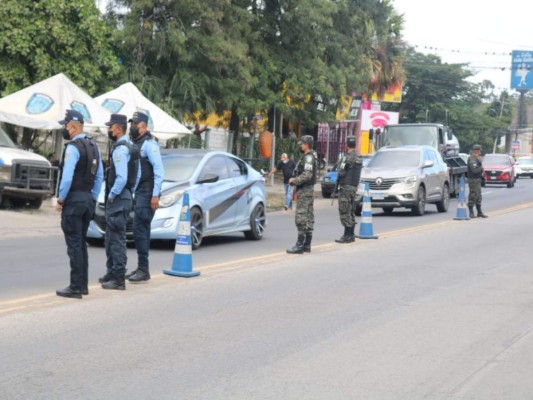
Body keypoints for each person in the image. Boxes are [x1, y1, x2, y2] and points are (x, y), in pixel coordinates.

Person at [55, 109, 104, 299]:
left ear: (73, 127)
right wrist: (92, 197)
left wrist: (60, 199)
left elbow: (66, 178)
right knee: (81, 244)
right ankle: (82, 285)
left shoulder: (73, 147)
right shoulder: (94, 146)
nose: (65, 129)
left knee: (74, 245)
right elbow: (99, 177)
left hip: (74, 200)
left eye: (66, 125)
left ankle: (75, 287)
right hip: (87, 200)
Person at [99, 114, 141, 290]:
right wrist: (129, 191)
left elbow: (122, 177)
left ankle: (118, 278)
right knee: (111, 238)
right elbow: (137, 175)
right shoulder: (131, 147)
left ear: (118, 128)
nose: (109, 130)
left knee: (116, 240)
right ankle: (112, 272)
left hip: (117, 199)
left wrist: (112, 195)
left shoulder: (120, 149)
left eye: (111, 127)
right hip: (125, 196)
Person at [125, 112, 164, 283]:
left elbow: (159, 171)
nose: (133, 127)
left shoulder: (150, 145)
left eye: (136, 124)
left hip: (148, 192)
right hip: (139, 192)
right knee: (139, 229)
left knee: (141, 229)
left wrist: (155, 194)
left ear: (144, 127)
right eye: (132, 124)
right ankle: (141, 267)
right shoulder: (136, 144)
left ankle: (144, 269)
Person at [287, 135, 318, 254]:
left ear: (307, 144)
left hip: (305, 190)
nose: (300, 145)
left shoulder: (309, 157)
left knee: (301, 217)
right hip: (307, 190)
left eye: (302, 143)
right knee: (308, 217)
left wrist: (293, 181)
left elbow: (307, 175)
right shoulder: (310, 156)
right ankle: (307, 244)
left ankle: (300, 245)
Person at [335, 136, 363, 243]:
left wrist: (339, 165)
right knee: (351, 209)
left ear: (346, 145)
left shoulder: (346, 158)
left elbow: (341, 172)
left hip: (346, 187)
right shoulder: (359, 157)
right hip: (354, 187)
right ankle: (351, 234)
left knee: (344, 210)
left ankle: (347, 235)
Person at [467, 144, 487, 219]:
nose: (480, 153)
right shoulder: (472, 159)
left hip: (477, 180)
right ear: (475, 151)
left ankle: (479, 212)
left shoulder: (476, 158)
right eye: (479, 151)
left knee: (478, 196)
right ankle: (471, 212)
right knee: (473, 195)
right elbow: (474, 170)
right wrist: (481, 167)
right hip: (473, 180)